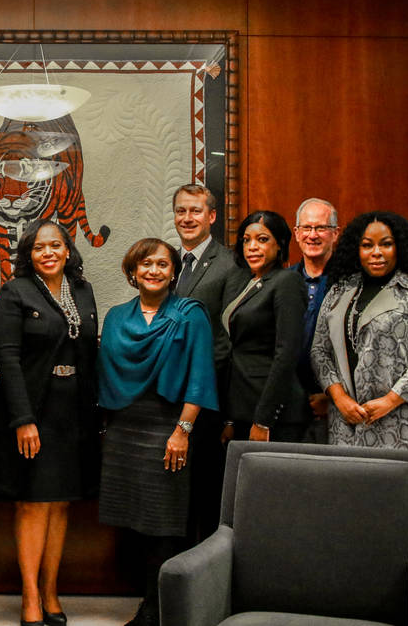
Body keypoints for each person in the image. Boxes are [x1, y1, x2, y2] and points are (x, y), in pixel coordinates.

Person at [97, 238, 218, 626]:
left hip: (168, 426)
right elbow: (104, 374)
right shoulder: (116, 316)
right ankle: (148, 601)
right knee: (134, 521)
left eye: (162, 265)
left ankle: (157, 609)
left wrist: (182, 431)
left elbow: (200, 376)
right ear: (132, 272)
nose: (153, 271)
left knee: (164, 523)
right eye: (145, 264)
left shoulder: (189, 314)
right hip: (122, 428)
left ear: (173, 272)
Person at [0, 219, 100, 626]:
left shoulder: (83, 291)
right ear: (29, 255)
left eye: (55, 245)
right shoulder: (15, 292)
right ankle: (30, 597)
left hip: (74, 415)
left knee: (61, 503)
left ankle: (52, 591)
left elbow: (90, 352)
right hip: (34, 412)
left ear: (68, 250)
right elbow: (8, 358)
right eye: (39, 247)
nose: (48, 252)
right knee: (34, 503)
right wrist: (22, 418)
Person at [311, 211, 408, 517]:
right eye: (367, 245)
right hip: (348, 423)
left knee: (399, 516)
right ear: (356, 249)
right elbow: (320, 350)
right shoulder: (339, 291)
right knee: (351, 515)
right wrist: (339, 398)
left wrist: (389, 400)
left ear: (398, 246)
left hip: (401, 424)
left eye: (385, 244)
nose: (376, 252)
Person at [170, 183, 238, 541]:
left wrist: (196, 386)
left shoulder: (228, 264)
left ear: (211, 216)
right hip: (168, 399)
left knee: (205, 495)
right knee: (176, 494)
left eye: (195, 211)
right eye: (181, 211)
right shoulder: (167, 263)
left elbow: (227, 342)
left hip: (208, 399)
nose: (187, 218)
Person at [221, 210, 307, 443]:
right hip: (242, 405)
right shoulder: (246, 283)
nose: (252, 247)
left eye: (262, 239)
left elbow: (286, 353)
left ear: (279, 245)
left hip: (273, 413)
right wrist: (230, 418)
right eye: (246, 240)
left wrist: (264, 420)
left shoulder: (286, 281)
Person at [291, 198, 340, 442]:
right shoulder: (283, 282)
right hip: (288, 406)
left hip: (337, 408)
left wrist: (332, 398)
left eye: (321, 228)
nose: (313, 235)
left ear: (335, 234)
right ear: (297, 233)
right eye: (307, 228)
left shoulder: (350, 283)